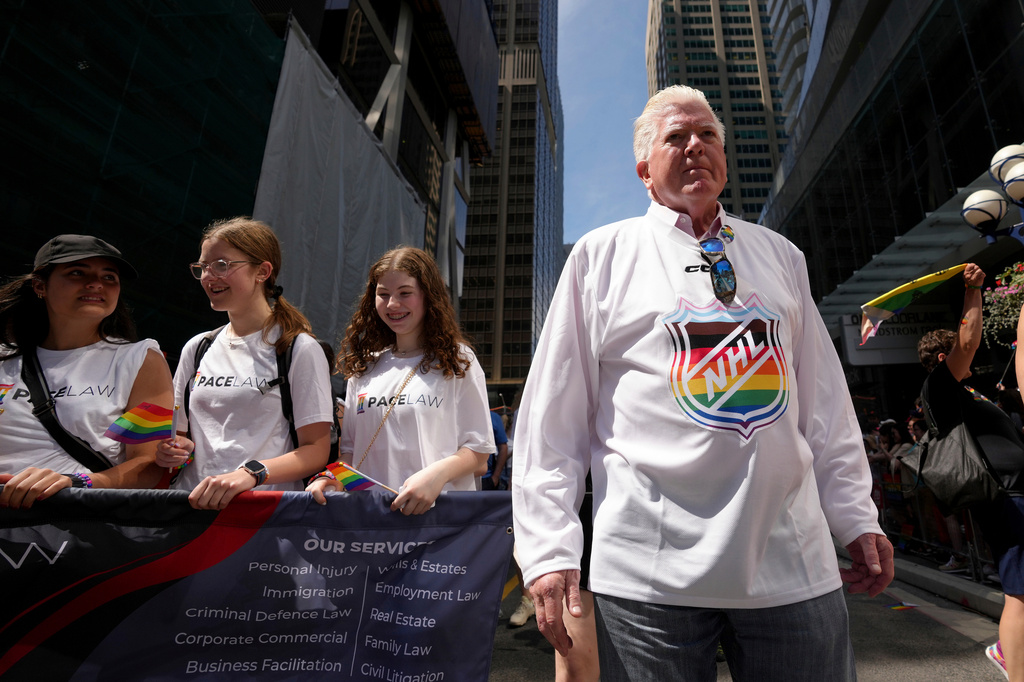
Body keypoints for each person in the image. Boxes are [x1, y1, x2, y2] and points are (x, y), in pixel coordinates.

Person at [511, 85, 893, 681]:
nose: (696, 146)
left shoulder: (781, 255)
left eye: (708, 135)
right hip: (648, 581)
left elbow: (824, 406)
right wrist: (549, 551)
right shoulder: (599, 257)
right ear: (644, 170)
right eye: (676, 137)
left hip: (790, 562)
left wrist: (855, 515)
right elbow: (550, 423)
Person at [156, 217, 333, 510]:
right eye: (202, 268)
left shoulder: (297, 348)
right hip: (191, 511)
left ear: (262, 271)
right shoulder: (198, 348)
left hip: (260, 518)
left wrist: (251, 473)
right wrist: (174, 451)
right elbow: (179, 437)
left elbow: (315, 450)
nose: (209, 277)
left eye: (222, 265)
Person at [306, 247, 493, 515]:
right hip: (370, 522)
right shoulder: (365, 367)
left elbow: (479, 454)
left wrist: (436, 475)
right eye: (383, 294)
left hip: (438, 523)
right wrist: (329, 477)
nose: (393, 304)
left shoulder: (458, 360)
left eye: (405, 293)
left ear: (429, 296)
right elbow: (350, 454)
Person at [0, 235, 176, 508]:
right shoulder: (4, 358)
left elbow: (148, 464)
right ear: (39, 286)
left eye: (109, 277)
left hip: (77, 524)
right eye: (77, 272)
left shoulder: (139, 359)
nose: (96, 283)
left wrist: (77, 483)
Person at [482, 408, 510, 490]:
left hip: (486, 478)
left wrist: (495, 477)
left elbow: (503, 447)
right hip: (460, 477)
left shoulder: (493, 417)